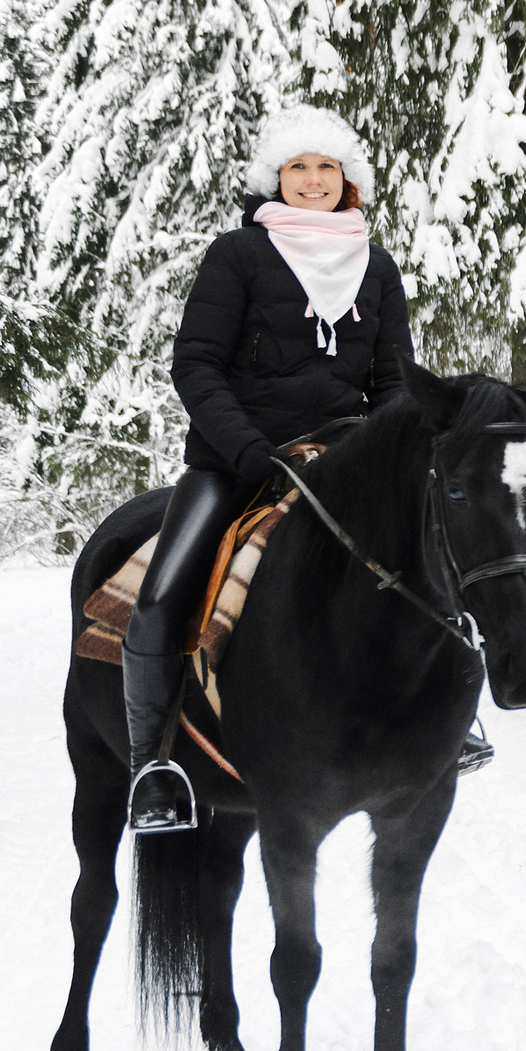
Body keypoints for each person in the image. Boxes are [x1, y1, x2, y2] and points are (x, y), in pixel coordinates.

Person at [121, 106, 420, 833]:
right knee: (162, 596)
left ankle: (449, 723)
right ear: (274, 179)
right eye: (297, 167)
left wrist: (384, 456)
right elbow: (195, 364)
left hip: (344, 462)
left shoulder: (376, 266)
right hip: (237, 460)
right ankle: (152, 765)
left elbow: (393, 384)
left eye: (326, 167)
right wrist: (249, 448)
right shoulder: (238, 255)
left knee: (429, 558)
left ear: (346, 180)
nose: (313, 180)